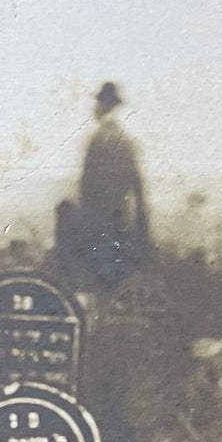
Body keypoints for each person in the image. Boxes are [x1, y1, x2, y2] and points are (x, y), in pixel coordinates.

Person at [69, 81, 150, 289]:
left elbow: (86, 186)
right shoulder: (126, 141)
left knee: (99, 280)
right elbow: (137, 185)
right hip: (120, 220)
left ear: (102, 106)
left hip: (98, 221)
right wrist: (142, 227)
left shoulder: (98, 140)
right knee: (117, 278)